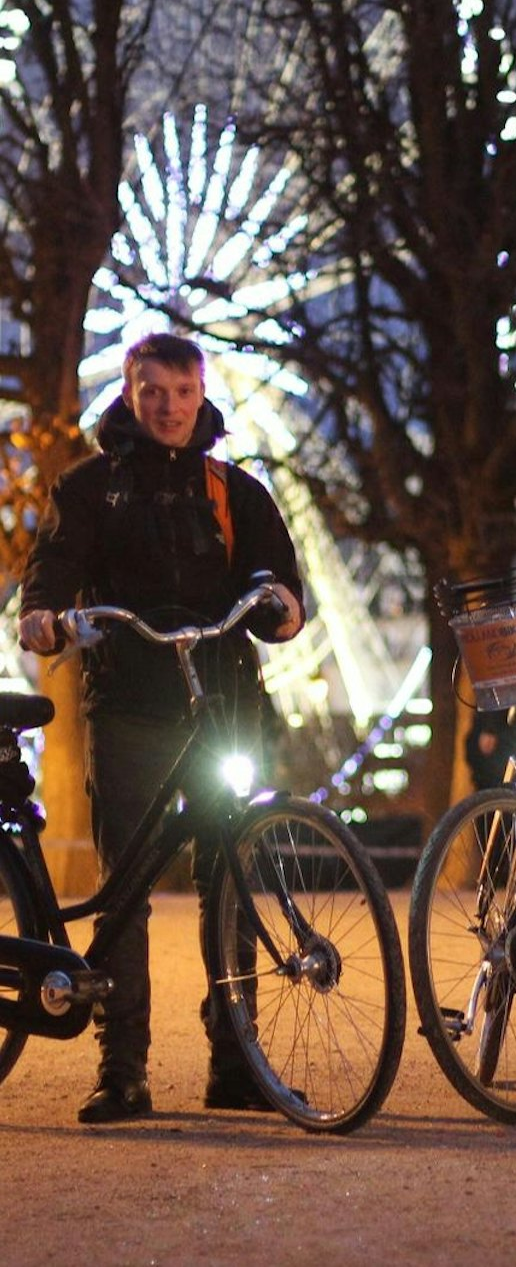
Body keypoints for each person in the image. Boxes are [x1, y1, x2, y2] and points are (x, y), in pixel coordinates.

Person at [19, 332, 305, 1124]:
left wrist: (281, 608)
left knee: (232, 881)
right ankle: (123, 1069)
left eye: (183, 393)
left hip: (223, 704)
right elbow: (49, 575)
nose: (170, 408)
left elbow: (280, 581)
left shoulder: (234, 491)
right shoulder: (90, 489)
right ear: (130, 391)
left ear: (202, 393)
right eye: (154, 393)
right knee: (127, 892)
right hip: (130, 707)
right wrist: (44, 620)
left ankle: (236, 1062)